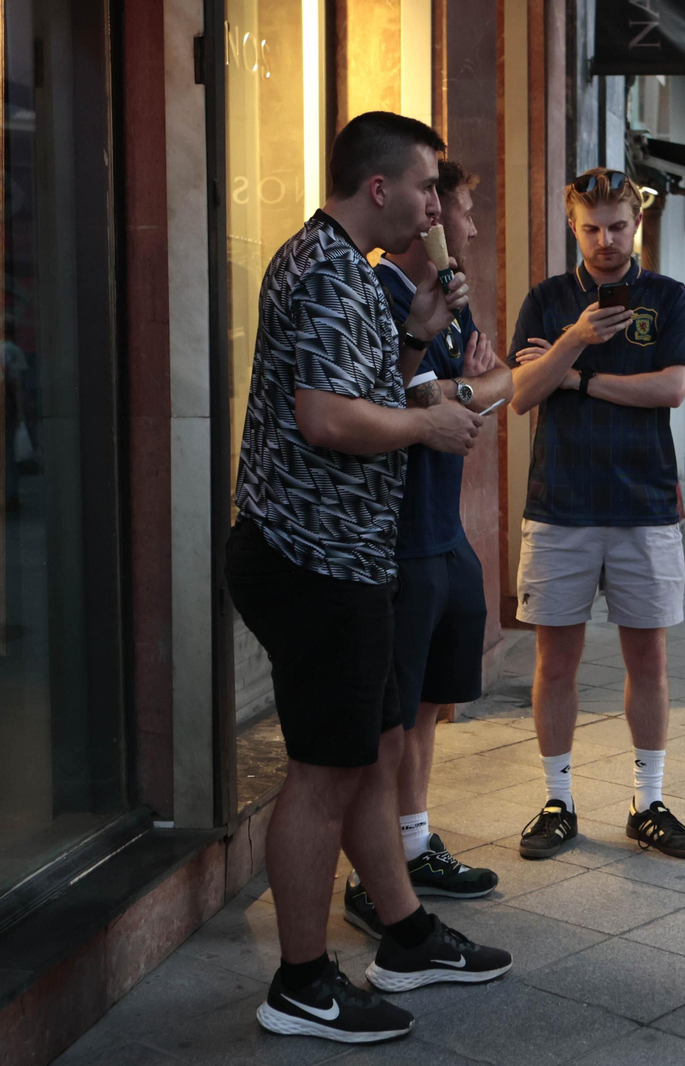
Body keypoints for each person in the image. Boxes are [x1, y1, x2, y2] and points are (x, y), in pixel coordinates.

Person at [224, 112, 511, 1046]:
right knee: (324, 771)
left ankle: (407, 935)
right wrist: (431, 423)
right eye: (429, 186)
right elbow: (325, 420)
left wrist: (420, 339)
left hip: (349, 556)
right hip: (311, 560)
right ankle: (302, 981)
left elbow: (366, 390)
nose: (439, 204)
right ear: (380, 189)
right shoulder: (320, 271)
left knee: (375, 751)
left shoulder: (354, 272)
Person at [507, 167, 685, 861]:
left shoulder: (668, 297)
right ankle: (557, 799)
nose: (606, 240)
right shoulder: (548, 300)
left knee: (646, 660)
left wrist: (579, 378)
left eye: (617, 226)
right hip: (559, 505)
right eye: (592, 228)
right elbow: (522, 393)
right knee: (554, 660)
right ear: (572, 226)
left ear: (637, 224)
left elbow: (672, 388)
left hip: (644, 504)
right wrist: (575, 340)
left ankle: (648, 801)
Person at [340, 158, 514, 938]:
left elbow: (500, 377)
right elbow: (397, 396)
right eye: (462, 212)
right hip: (399, 537)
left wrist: (461, 388)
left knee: (431, 706)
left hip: (446, 531)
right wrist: (458, 389)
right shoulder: (377, 292)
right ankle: (377, 880)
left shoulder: (454, 299)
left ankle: (413, 844)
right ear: (425, 216)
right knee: (391, 717)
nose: (470, 228)